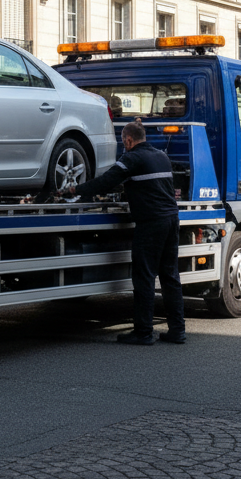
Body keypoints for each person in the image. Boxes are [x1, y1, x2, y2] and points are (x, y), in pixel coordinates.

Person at [64, 119, 185, 346]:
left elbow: (104, 182)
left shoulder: (131, 158)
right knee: (170, 277)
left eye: (123, 142)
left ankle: (143, 332)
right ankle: (178, 331)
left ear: (128, 140)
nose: (123, 145)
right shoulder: (161, 156)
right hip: (171, 220)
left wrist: (74, 190)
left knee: (144, 278)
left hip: (151, 224)